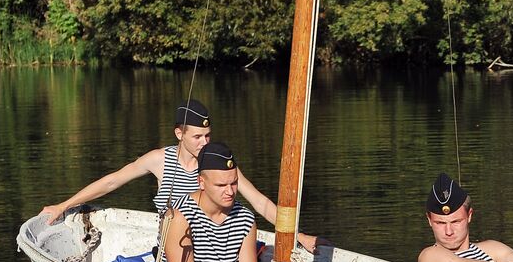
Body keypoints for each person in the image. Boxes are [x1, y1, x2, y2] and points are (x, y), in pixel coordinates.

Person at [39, 99, 319, 253]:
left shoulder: (218, 165)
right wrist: (64, 205)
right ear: (179, 134)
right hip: (174, 251)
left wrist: (298, 235)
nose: (204, 143)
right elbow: (112, 181)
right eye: (197, 136)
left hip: (215, 250)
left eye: (208, 136)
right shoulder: (159, 159)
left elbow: (260, 203)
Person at [154, 141, 310, 262]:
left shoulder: (245, 218)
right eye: (221, 185)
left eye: (233, 183)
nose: (229, 191)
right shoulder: (178, 216)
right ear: (201, 182)